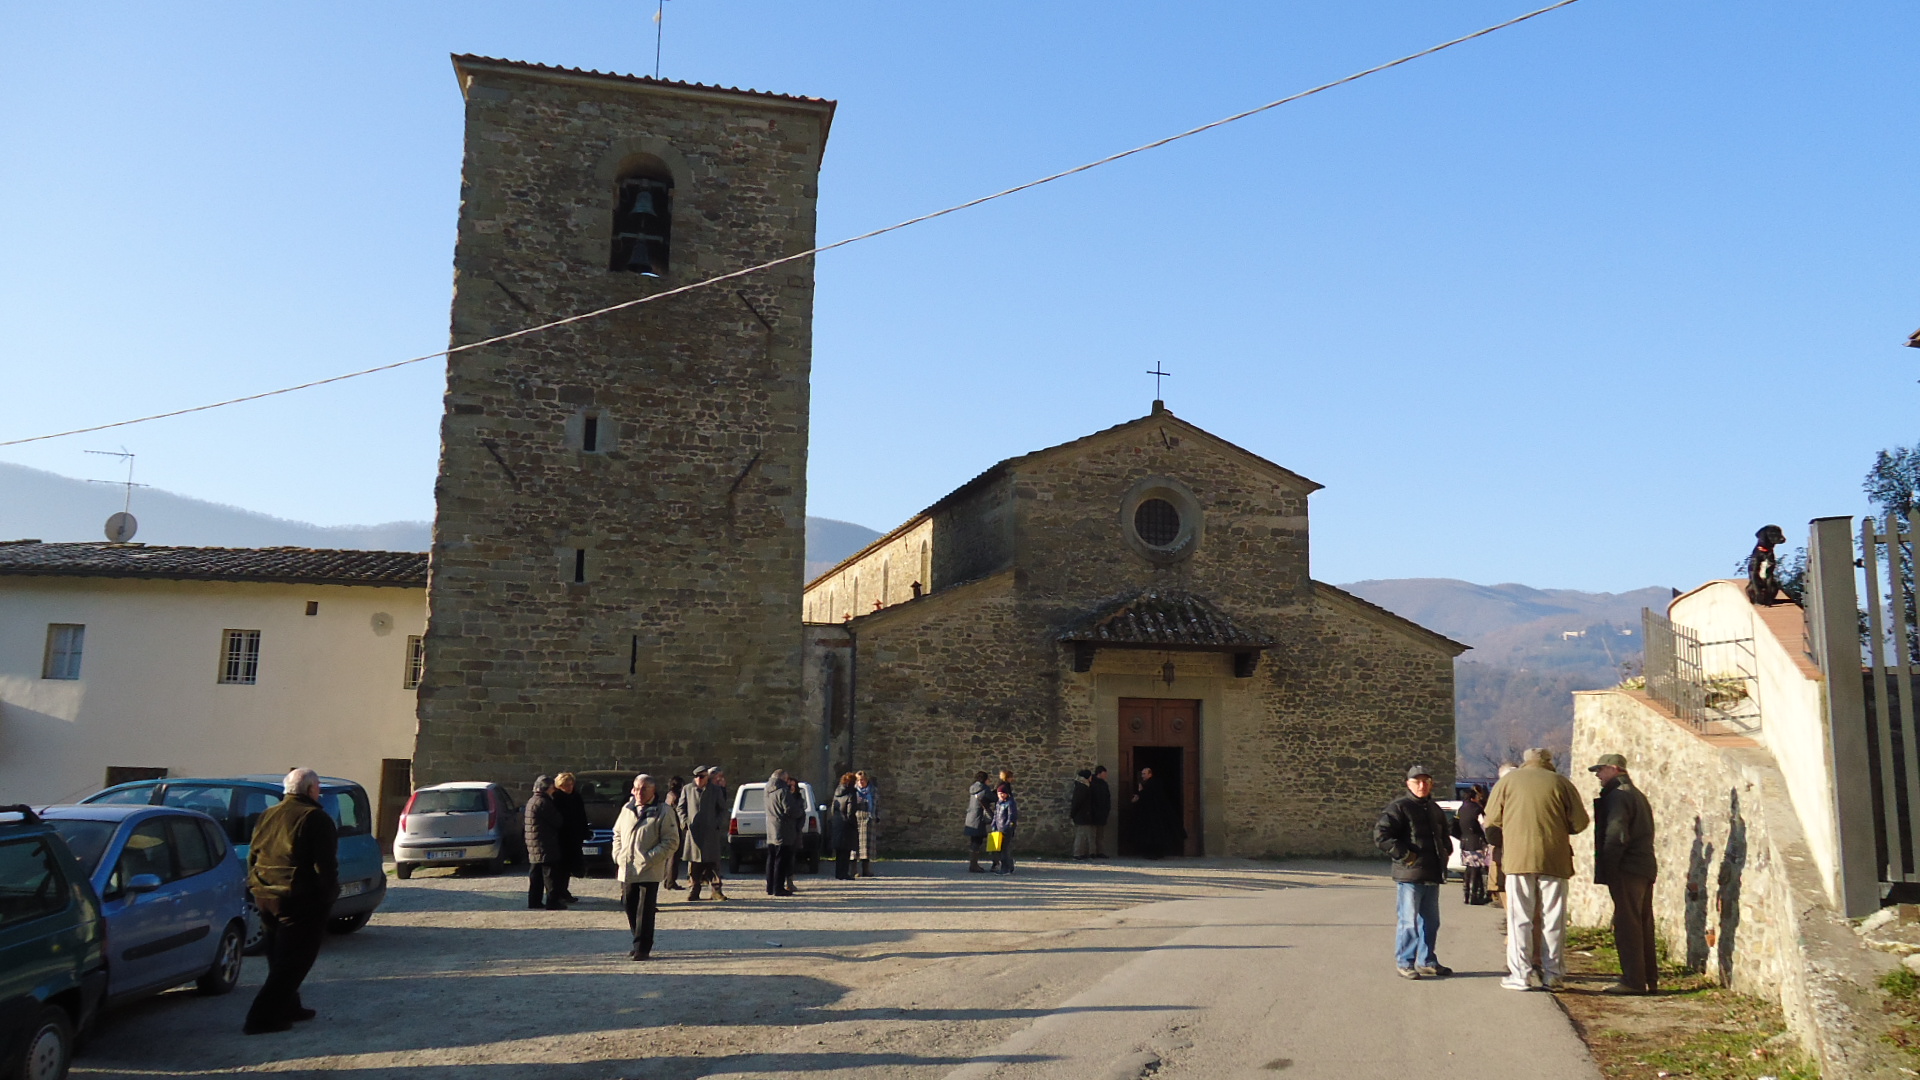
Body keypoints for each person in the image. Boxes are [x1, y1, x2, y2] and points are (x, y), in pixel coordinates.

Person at [1483, 747, 1590, 991]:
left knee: (1519, 917)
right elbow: (1580, 822)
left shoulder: (1508, 782)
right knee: (1553, 918)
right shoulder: (1562, 783)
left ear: (1526, 761)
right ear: (1549, 762)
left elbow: (1491, 820)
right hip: (1555, 857)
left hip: (1517, 858)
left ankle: (1520, 974)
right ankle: (1553, 975)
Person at [242, 767, 339, 1034]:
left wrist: (255, 884)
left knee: (278, 956)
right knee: (294, 961)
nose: (319, 792)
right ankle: (261, 1018)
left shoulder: (267, 815)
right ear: (310, 790)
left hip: (265, 895)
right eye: (318, 787)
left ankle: (289, 1007)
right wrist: (328, 898)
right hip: (298, 898)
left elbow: (254, 854)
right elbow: (325, 867)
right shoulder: (315, 818)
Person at [1373, 765, 1454, 980]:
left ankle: (1427, 960)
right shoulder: (1399, 808)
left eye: (1425, 781)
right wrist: (1405, 855)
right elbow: (1381, 836)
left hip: (1432, 873)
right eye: (1417, 781)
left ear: (1431, 784)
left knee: (1431, 922)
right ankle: (1405, 962)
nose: (1422, 785)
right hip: (1410, 874)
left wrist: (1446, 850)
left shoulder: (1434, 809)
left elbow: (1444, 834)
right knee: (1409, 921)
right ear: (1408, 784)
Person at [1591, 753, 1658, 995]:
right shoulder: (1637, 794)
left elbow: (1616, 834)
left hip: (1627, 869)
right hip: (1643, 867)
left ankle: (1633, 981)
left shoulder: (1618, 796)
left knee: (1627, 925)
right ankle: (1648, 977)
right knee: (1642, 924)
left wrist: (1609, 869)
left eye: (1600, 770)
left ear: (1613, 768)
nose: (1598, 775)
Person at [612, 773, 679, 960]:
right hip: (627, 866)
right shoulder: (627, 808)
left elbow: (671, 841)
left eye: (644, 789)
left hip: (649, 869)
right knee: (629, 905)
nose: (639, 793)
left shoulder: (663, 811)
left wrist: (648, 858)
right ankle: (637, 939)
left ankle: (642, 947)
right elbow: (617, 833)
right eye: (636, 788)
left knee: (645, 909)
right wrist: (617, 855)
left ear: (653, 790)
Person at [523, 775, 565, 910]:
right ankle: (553, 902)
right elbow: (557, 821)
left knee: (535, 875)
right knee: (550, 875)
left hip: (533, 843)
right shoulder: (544, 802)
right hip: (544, 843)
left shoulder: (532, 801)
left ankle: (534, 901)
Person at [1126, 766, 1185, 858]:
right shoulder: (1147, 784)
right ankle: (1153, 853)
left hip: (1154, 814)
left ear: (1150, 774)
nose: (1142, 776)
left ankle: (1154, 853)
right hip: (1150, 814)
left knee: (1153, 835)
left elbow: (1149, 797)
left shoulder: (1153, 784)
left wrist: (1141, 791)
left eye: (1144, 774)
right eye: (1142, 774)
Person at [551, 772, 588, 904]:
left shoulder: (576, 797)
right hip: (561, 838)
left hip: (574, 836)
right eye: (565, 785)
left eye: (571, 784)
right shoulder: (556, 798)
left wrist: (585, 831)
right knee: (560, 867)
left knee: (569, 867)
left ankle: (564, 891)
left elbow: (582, 815)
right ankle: (560, 892)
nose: (569, 787)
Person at [764, 769, 803, 896]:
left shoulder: (767, 790)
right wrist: (799, 812)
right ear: (783, 779)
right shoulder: (783, 791)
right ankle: (778, 888)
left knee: (771, 859)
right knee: (781, 860)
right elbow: (790, 809)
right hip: (784, 828)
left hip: (771, 828)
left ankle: (770, 887)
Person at [1486, 762, 1518, 906]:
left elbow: (1491, 824)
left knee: (1509, 898)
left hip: (1505, 852)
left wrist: (1501, 842)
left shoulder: (1499, 793)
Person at [1454, 784, 1492, 905]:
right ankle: (1473, 895)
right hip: (1476, 840)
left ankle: (1466, 894)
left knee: (1469, 868)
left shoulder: (1461, 809)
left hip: (1465, 841)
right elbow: (1484, 825)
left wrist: (1460, 836)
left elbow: (1454, 825)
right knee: (1476, 868)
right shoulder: (1477, 809)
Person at [830, 773, 859, 880]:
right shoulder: (851, 794)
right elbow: (851, 812)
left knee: (839, 852)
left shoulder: (837, 792)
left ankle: (838, 873)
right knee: (846, 851)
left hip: (837, 823)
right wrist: (854, 824)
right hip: (847, 825)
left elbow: (833, 809)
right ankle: (844, 873)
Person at [963, 771, 991, 873]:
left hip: (971, 817)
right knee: (977, 842)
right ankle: (974, 865)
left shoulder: (973, 788)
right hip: (978, 818)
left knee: (973, 841)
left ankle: (973, 864)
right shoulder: (984, 788)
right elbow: (993, 797)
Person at [989, 783, 1019, 873]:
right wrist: (994, 825)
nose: (1001, 795)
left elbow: (1012, 816)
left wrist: (1008, 826)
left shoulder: (1010, 803)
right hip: (998, 829)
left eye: (1002, 793)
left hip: (1006, 830)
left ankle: (1005, 868)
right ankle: (1009, 866)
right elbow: (996, 815)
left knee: (1004, 850)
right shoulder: (999, 803)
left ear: (1006, 793)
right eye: (999, 793)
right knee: (1000, 849)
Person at [853, 770, 878, 877]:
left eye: (862, 780)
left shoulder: (873, 791)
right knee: (854, 846)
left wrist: (877, 816)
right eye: (859, 780)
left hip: (869, 819)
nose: (861, 782)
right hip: (856, 819)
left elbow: (877, 804)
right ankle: (853, 870)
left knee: (866, 847)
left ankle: (866, 870)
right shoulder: (854, 791)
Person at [663, 775, 687, 890]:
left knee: (670, 856)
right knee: (674, 856)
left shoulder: (669, 795)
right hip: (674, 826)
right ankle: (671, 881)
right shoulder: (676, 796)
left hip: (669, 826)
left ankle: (668, 880)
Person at [1069, 769, 1096, 858]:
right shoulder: (1082, 787)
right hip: (1081, 815)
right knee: (1080, 835)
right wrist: (1073, 814)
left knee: (1084, 835)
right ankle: (1077, 853)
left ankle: (1082, 853)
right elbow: (1077, 802)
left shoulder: (1084, 786)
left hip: (1084, 815)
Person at [1087, 765, 1112, 859]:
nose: (1105, 776)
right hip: (1093, 812)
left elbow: (1107, 798)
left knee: (1100, 835)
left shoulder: (1104, 784)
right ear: (1099, 773)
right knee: (1092, 834)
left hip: (1102, 813)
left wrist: (1106, 810)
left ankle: (1100, 852)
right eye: (1104, 774)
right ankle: (1092, 852)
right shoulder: (1092, 783)